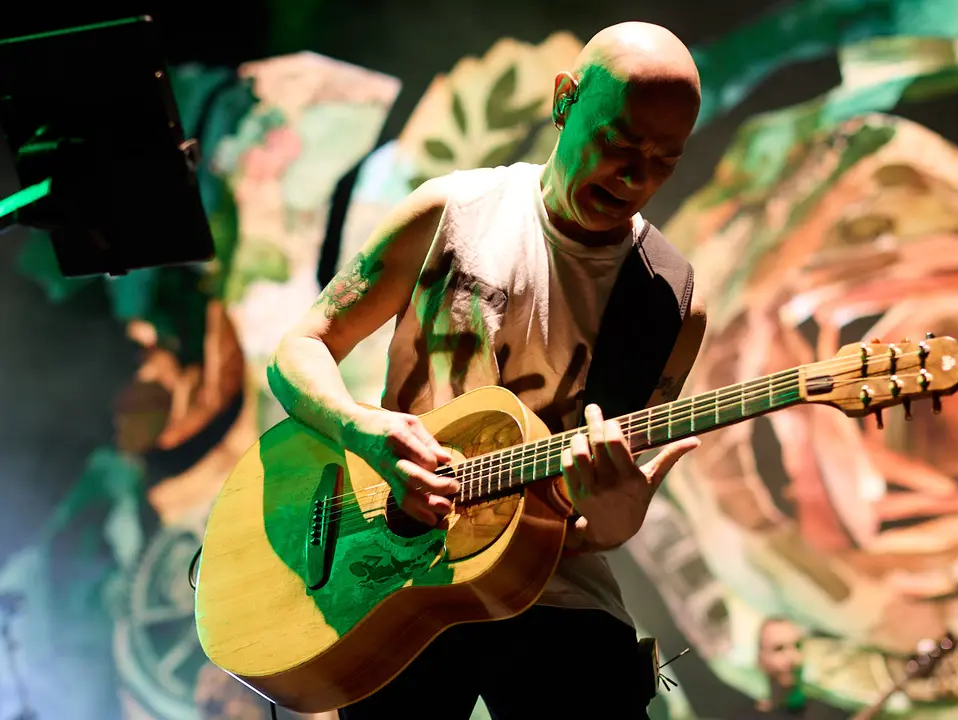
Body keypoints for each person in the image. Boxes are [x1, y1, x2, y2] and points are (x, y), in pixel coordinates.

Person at [265, 21, 707, 720]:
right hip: (394, 565)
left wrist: (615, 516)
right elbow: (299, 350)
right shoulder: (452, 213)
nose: (634, 176)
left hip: (553, 588)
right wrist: (365, 431)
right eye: (619, 143)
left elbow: (592, 526)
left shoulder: (670, 302)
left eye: (663, 160)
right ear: (565, 99)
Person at [734, 617, 847, 719]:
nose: (793, 657)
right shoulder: (747, 714)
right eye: (779, 649)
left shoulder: (829, 709)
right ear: (760, 660)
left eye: (797, 646)